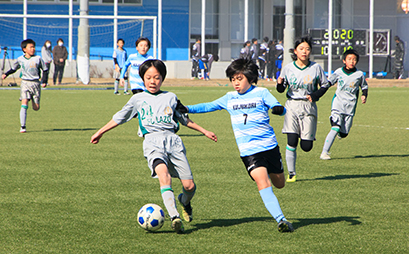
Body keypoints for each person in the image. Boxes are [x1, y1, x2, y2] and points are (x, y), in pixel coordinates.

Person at [90, 59, 218, 234]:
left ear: (162, 79)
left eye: (156, 77)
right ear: (142, 79)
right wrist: (100, 132)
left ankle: (185, 202)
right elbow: (120, 117)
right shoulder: (137, 99)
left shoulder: (171, 97)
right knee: (164, 177)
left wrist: (204, 131)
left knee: (189, 186)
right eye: (148, 77)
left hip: (173, 142)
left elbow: (183, 119)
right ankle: (174, 217)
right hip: (152, 143)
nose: (152, 81)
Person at [180, 58, 294, 233]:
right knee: (262, 182)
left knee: (279, 183)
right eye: (233, 79)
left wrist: (279, 109)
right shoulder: (229, 98)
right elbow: (208, 106)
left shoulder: (262, 93)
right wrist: (187, 108)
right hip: (249, 151)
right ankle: (281, 220)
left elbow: (278, 106)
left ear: (249, 77)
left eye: (239, 79)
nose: (236, 83)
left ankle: (271, 183)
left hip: (269, 146)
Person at [276, 36, 330, 182]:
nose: (304, 52)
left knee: (306, 146)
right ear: (295, 51)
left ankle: (306, 137)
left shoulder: (316, 68)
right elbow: (281, 89)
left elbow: (325, 85)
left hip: (308, 106)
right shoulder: (288, 68)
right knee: (291, 139)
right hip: (292, 105)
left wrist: (315, 95)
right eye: (301, 49)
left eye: (307, 49)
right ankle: (291, 173)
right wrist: (279, 84)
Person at [320, 49, 368, 160]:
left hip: (350, 106)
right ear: (344, 61)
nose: (352, 61)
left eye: (354, 59)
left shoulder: (359, 74)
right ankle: (324, 152)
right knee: (335, 128)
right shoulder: (338, 72)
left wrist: (364, 95)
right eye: (349, 59)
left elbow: (364, 86)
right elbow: (329, 82)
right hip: (338, 104)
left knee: (344, 133)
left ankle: (338, 128)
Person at [1, 39, 48, 133]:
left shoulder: (38, 58)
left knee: (36, 108)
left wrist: (44, 81)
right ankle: (23, 126)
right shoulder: (20, 60)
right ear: (24, 49)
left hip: (35, 84)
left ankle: (33, 100)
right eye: (30, 47)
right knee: (24, 102)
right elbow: (14, 68)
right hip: (25, 83)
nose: (33, 49)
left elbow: (45, 70)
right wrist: (6, 74)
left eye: (34, 47)